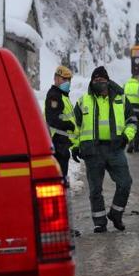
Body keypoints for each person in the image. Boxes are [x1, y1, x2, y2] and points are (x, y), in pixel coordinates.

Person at [72, 66, 137, 233]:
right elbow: (74, 127)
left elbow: (132, 121)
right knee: (95, 189)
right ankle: (99, 222)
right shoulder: (83, 101)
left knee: (125, 183)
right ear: (91, 82)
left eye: (102, 80)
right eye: (96, 80)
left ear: (108, 81)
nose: (99, 83)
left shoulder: (121, 99)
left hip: (115, 148)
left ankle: (116, 213)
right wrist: (74, 146)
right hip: (92, 151)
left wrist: (126, 137)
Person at [44, 65, 81, 237]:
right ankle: (60, 226)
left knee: (62, 187)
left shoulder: (62, 96)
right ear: (56, 79)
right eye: (64, 79)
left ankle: (63, 226)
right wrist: (68, 125)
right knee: (59, 188)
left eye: (69, 80)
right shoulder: (54, 96)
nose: (67, 83)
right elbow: (53, 119)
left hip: (63, 146)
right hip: (57, 146)